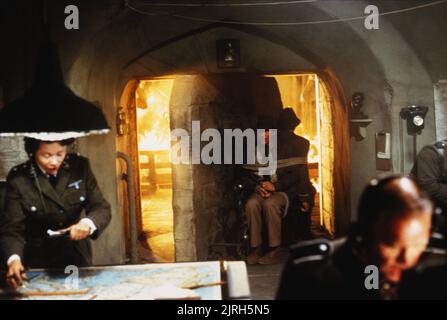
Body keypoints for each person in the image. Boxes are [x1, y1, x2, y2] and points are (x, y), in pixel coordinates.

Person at [276, 175, 432, 300]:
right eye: (392, 244)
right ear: (365, 233)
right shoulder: (312, 273)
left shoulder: (432, 272)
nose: (406, 259)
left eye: (418, 244)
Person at [0, 137, 111, 287]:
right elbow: (12, 229)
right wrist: (14, 259)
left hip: (75, 255)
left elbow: (101, 207)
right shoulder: (19, 178)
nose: (54, 161)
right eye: (46, 155)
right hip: (36, 258)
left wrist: (87, 223)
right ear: (32, 152)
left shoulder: (79, 167)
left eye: (60, 154)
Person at [243, 108, 314, 265]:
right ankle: (256, 247)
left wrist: (276, 186)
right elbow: (245, 176)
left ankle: (274, 249)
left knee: (270, 204)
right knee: (252, 204)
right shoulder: (252, 150)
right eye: (262, 133)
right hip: (260, 190)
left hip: (283, 191)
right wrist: (257, 187)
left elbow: (298, 176)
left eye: (269, 133)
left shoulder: (287, 149)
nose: (265, 136)